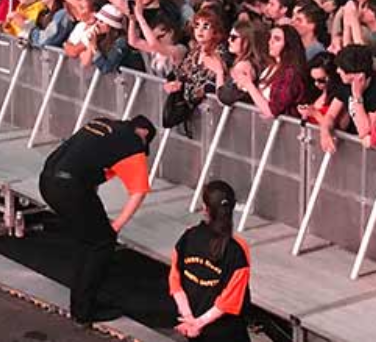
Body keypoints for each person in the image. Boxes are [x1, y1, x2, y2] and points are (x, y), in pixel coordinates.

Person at [38, 115, 156, 324]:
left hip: (48, 180)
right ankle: (84, 311)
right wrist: (116, 226)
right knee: (101, 242)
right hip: (69, 188)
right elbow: (138, 192)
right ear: (144, 135)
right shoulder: (132, 144)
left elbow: (87, 162)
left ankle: (80, 301)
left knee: (87, 239)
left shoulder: (102, 124)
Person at [168, 180, 251, 342]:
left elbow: (175, 282)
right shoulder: (238, 250)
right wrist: (198, 323)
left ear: (205, 209)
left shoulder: (188, 237)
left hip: (195, 329)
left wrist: (189, 318)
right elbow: (229, 300)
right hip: (226, 332)